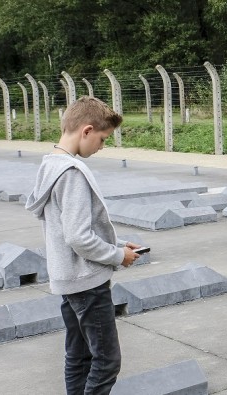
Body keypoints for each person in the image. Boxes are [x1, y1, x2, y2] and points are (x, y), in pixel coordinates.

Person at [24, 96, 140, 395]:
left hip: (68, 280)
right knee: (107, 360)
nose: (102, 146)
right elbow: (78, 237)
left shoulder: (49, 165)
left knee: (79, 356)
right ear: (86, 130)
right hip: (87, 283)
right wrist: (117, 256)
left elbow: (70, 229)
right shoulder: (72, 173)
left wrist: (117, 243)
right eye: (102, 139)